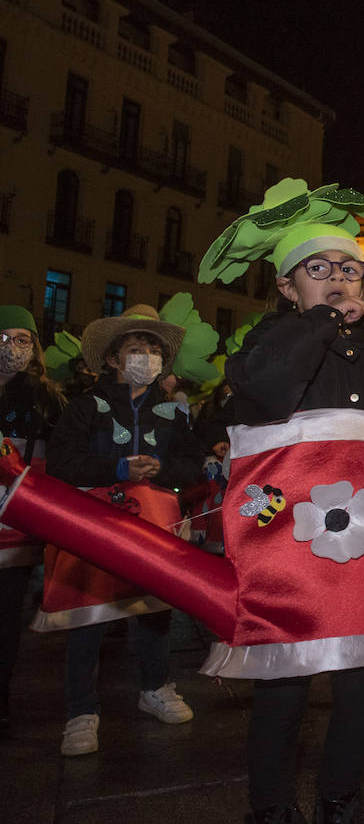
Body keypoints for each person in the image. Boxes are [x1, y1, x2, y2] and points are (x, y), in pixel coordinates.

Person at [204, 179, 364, 823]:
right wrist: (318, 319)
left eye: (352, 270)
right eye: (321, 270)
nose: (341, 280)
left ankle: (340, 797)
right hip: (284, 539)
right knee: (282, 688)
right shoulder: (267, 341)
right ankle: (271, 809)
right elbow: (263, 389)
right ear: (288, 286)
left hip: (362, 545)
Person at [43, 305, 203, 757]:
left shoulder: (172, 414)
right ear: (112, 360)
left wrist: (162, 468)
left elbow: (191, 466)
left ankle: (156, 687)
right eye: (136, 349)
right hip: (94, 527)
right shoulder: (84, 408)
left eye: (153, 351)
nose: (146, 358)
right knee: (88, 614)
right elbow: (61, 463)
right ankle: (81, 711)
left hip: (154, 524)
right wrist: (115, 466)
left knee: (152, 610)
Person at [0, 306, 66, 735]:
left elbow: (59, 461)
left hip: (15, 533)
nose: (13, 347)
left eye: (22, 338)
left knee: (6, 619)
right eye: (4, 337)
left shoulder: (47, 399)